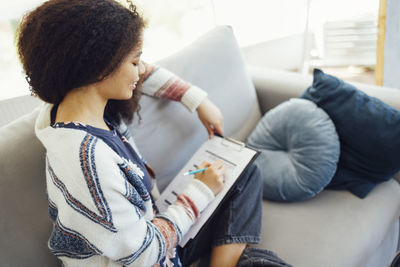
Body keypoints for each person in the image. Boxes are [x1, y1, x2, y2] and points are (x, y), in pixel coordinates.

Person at [16, 0, 267, 266]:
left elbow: (148, 73)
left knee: (244, 172)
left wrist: (196, 100)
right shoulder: (87, 162)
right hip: (150, 254)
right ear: (100, 66)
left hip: (160, 231)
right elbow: (143, 254)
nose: (142, 69)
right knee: (260, 262)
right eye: (135, 61)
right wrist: (200, 191)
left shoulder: (75, 103)